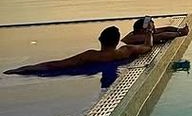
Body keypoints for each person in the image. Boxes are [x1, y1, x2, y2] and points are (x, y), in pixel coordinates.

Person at [3, 26, 152, 75]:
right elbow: (147, 47)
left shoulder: (91, 56)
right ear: (116, 40)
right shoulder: (125, 51)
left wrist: (21, 69)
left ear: (100, 39)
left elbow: (56, 65)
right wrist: (149, 33)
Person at [122, 17, 188, 46]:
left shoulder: (140, 32)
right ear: (142, 30)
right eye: (150, 28)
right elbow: (160, 36)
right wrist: (180, 33)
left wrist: (178, 29)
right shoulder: (135, 37)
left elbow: (164, 29)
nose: (153, 30)